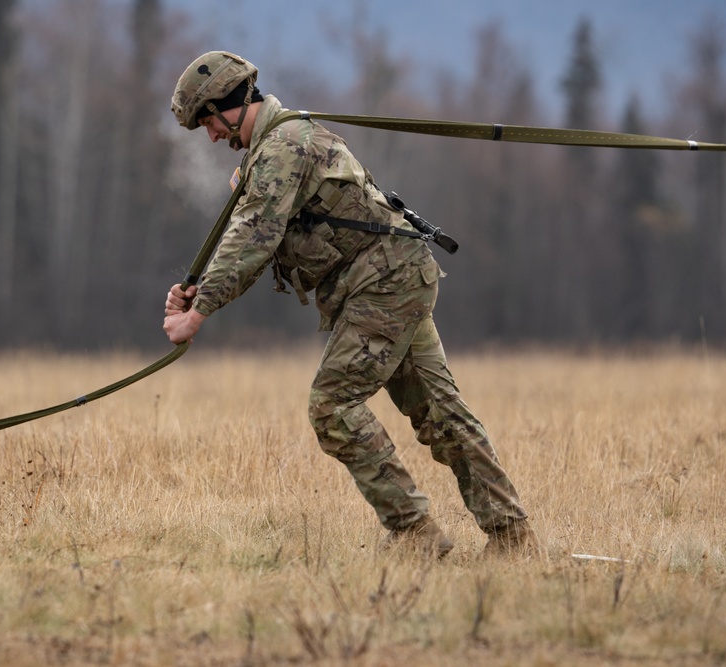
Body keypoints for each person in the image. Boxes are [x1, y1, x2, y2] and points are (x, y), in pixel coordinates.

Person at [164, 51, 538, 559]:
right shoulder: (273, 149)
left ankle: (414, 532)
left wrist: (197, 312)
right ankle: (512, 537)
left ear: (231, 103)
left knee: (332, 405)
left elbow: (253, 239)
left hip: (386, 282)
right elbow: (248, 236)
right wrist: (197, 290)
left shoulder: (283, 147)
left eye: (208, 120)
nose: (209, 134)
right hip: (393, 275)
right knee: (440, 414)